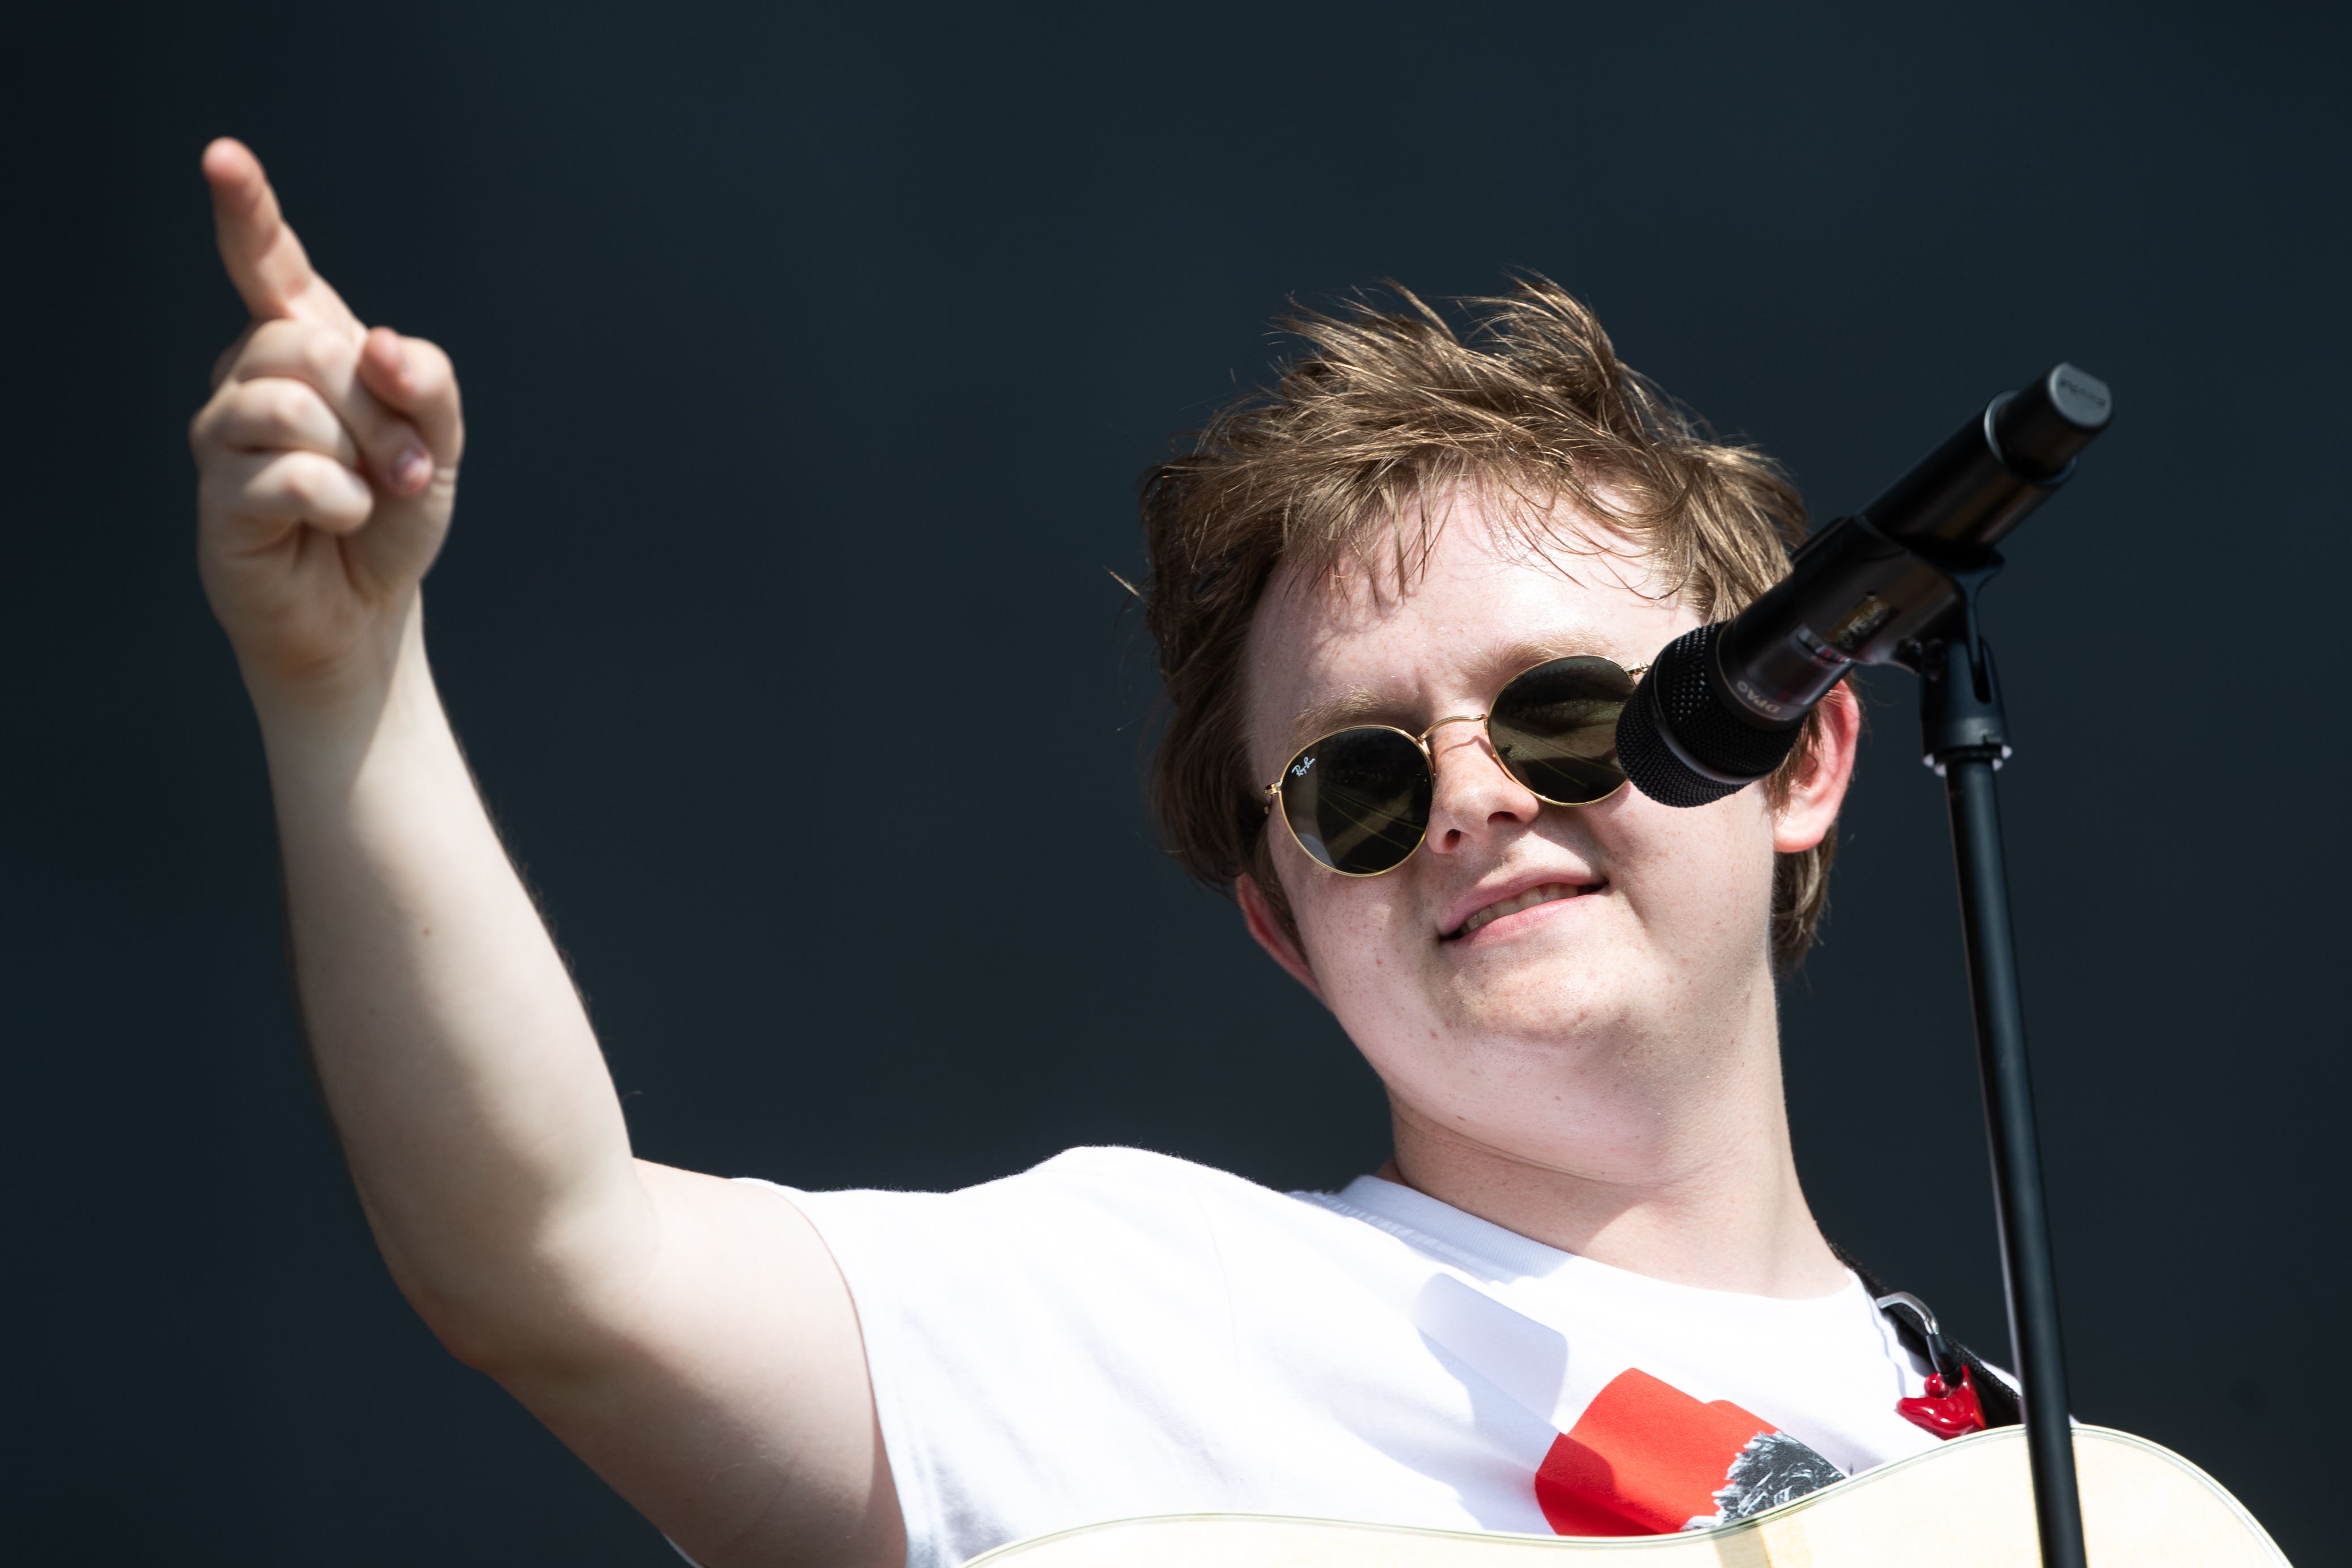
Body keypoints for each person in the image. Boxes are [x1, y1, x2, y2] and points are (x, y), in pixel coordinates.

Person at [189, 136, 1999, 1568]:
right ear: (1287, 928)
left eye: (1563, 711)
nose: (1469, 798)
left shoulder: (2073, 1493)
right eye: (1354, 785)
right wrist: (345, 685)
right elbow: (549, 1260)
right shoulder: (1150, 1314)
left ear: (1804, 752)